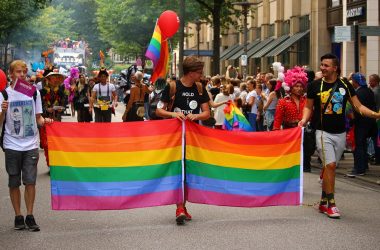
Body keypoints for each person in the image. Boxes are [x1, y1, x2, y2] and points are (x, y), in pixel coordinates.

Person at [299, 53, 380, 218]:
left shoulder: (345, 85)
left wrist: (375, 114)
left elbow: (358, 107)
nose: (322, 68)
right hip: (322, 132)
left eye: (326, 65)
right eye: (321, 65)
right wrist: (304, 119)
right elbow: (308, 107)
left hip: (340, 133)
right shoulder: (314, 85)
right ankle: (332, 204)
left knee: (331, 167)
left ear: (335, 68)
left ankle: (322, 202)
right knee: (330, 166)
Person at [156, 55, 210, 225]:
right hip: (174, 137)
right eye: (199, 72)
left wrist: (196, 115)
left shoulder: (200, 88)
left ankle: (182, 206)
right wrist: (173, 114)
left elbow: (207, 113)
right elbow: (159, 111)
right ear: (190, 72)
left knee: (187, 172)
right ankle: (180, 207)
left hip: (193, 138)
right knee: (178, 170)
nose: (201, 75)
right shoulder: (172, 86)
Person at [0, 60, 53, 231]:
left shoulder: (33, 93)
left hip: (30, 144)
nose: (22, 75)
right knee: (14, 181)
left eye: (24, 72)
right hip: (11, 145)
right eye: (18, 72)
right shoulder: (4, 95)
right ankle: (18, 216)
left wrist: (47, 121)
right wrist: (2, 110)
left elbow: (38, 118)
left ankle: (30, 215)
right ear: (10, 74)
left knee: (30, 182)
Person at [346, 73, 377, 177]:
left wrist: (352, 118)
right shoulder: (369, 91)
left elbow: (354, 109)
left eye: (353, 82)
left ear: (355, 82)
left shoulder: (357, 93)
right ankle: (364, 165)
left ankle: (359, 169)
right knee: (364, 144)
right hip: (370, 122)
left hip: (361, 123)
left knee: (359, 145)